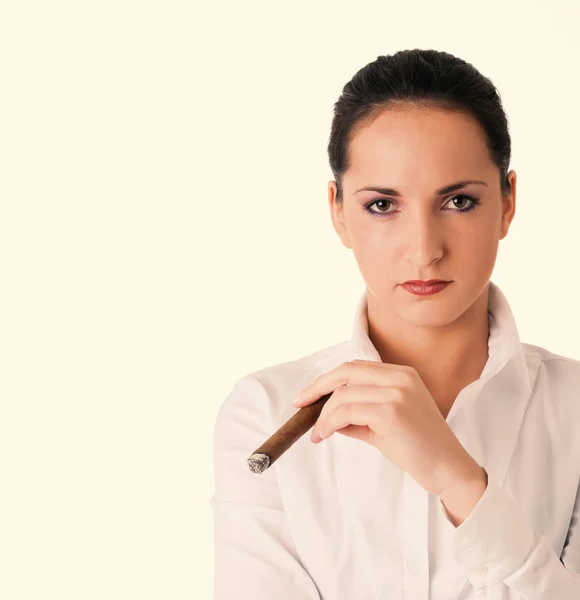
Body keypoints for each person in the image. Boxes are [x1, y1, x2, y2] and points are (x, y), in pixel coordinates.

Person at [210, 49, 580, 599]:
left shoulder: (574, 408)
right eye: (383, 205)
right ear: (338, 210)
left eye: (458, 200)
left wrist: (457, 477)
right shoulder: (265, 411)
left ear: (508, 203)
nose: (424, 251)